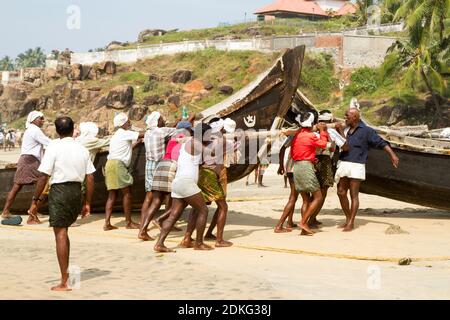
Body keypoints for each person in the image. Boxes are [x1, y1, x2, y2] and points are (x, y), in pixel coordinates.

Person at [28, 117, 95, 291]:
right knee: (64, 231)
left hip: (60, 191)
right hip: (76, 191)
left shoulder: (54, 147)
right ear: (73, 129)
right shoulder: (82, 149)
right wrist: (87, 202)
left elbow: (43, 176)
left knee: (60, 233)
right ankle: (65, 274)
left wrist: (35, 200)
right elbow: (90, 177)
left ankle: (64, 281)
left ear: (57, 131)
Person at [335, 108, 399, 232]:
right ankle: (348, 218)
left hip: (357, 165)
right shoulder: (346, 129)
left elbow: (381, 143)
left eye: (347, 115)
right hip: (344, 162)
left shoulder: (367, 131)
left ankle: (351, 222)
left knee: (354, 194)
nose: (345, 117)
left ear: (355, 117)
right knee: (341, 192)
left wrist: (392, 155)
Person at [154, 123, 214, 253]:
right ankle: (199, 243)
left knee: (173, 215)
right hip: (186, 183)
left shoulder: (189, 142)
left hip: (179, 182)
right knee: (203, 210)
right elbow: (211, 152)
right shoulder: (195, 142)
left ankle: (159, 243)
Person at [181, 118, 233, 248]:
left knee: (197, 207)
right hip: (209, 175)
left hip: (201, 173)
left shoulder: (202, 142)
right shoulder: (220, 140)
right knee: (223, 206)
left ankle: (187, 237)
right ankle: (219, 240)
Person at [138, 120, 193, 241]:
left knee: (156, 201)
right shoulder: (183, 137)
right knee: (176, 199)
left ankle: (143, 230)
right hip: (170, 167)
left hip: (161, 165)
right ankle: (162, 221)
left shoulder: (172, 137)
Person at [1, 111, 51, 223]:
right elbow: (47, 142)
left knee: (17, 186)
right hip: (31, 160)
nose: (43, 120)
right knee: (43, 180)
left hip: (25, 159)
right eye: (40, 118)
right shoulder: (35, 130)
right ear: (33, 119)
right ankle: (33, 210)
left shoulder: (31, 130)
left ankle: (6, 211)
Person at [284, 112, 329, 235]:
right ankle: (303, 222)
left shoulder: (297, 135)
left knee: (305, 199)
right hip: (305, 167)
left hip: (297, 166)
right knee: (318, 197)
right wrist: (323, 131)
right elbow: (323, 144)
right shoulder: (310, 136)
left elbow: (294, 152)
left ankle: (304, 229)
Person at [104, 113, 144, 231]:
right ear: (124, 123)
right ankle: (128, 222)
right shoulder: (124, 133)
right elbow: (142, 134)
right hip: (118, 164)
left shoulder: (116, 135)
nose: (130, 123)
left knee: (112, 195)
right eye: (128, 121)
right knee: (127, 193)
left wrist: (136, 143)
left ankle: (107, 223)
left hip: (110, 163)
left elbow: (125, 149)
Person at [309, 110, 346, 227]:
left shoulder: (311, 131)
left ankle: (310, 217)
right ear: (330, 120)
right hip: (324, 161)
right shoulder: (331, 131)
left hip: (310, 160)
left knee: (313, 191)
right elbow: (344, 146)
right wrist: (340, 130)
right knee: (322, 192)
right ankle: (311, 218)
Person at [274, 135, 298, 233]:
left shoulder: (293, 134)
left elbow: (282, 148)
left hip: (289, 166)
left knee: (293, 196)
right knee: (294, 197)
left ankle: (290, 221)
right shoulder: (306, 134)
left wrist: (281, 164)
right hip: (297, 167)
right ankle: (280, 225)